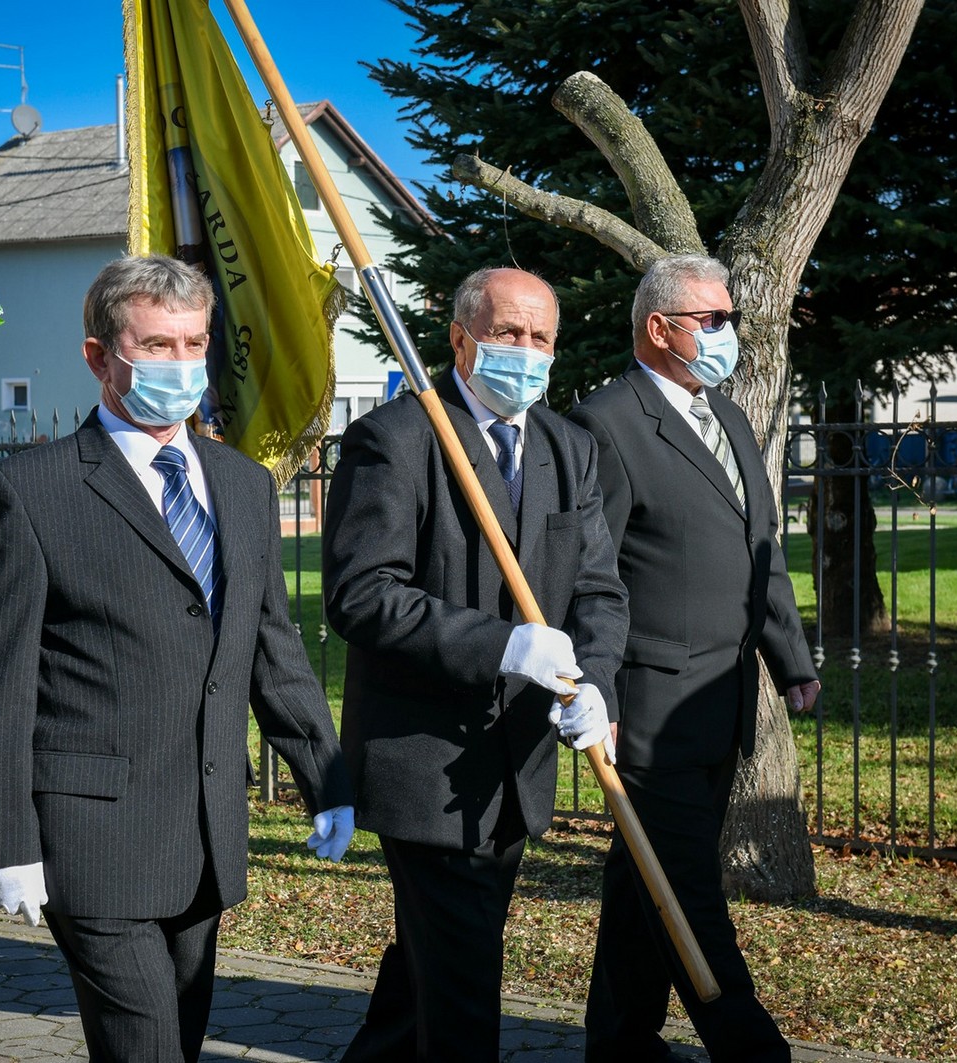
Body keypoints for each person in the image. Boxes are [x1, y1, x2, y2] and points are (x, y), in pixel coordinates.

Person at [0, 254, 355, 1063]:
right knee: (144, 1046)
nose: (179, 365)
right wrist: (1, 842)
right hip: (91, 835)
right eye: (156, 345)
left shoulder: (243, 486)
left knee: (179, 1035)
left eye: (193, 344)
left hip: (203, 835)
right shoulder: (31, 491)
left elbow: (270, 648)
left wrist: (327, 779)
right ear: (100, 356)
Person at [323, 267, 629, 1061]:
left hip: (514, 765)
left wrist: (595, 681)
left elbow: (597, 587)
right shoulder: (398, 437)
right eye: (508, 334)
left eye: (541, 338)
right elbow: (362, 594)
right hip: (427, 765)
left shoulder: (569, 447)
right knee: (462, 992)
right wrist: (502, 646)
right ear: (462, 340)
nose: (525, 352)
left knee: (425, 976)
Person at [569, 253, 821, 1062]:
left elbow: (759, 547)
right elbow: (588, 574)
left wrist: (791, 657)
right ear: (660, 327)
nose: (728, 334)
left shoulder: (732, 417)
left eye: (730, 319)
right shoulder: (605, 421)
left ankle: (620, 1040)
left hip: (720, 702)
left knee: (642, 877)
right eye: (713, 320)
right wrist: (595, 689)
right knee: (684, 885)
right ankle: (752, 1048)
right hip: (647, 707)